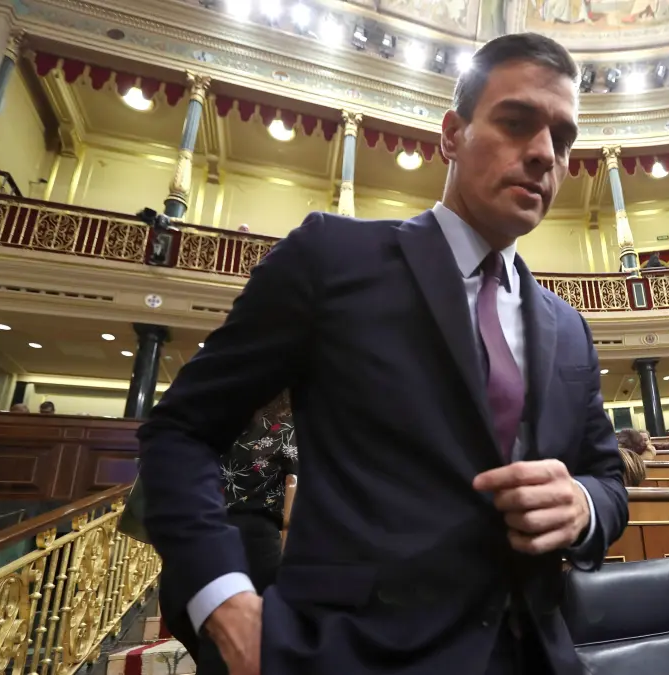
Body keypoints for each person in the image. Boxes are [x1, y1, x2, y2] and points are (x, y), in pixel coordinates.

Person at [137, 34, 628, 675]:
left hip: (538, 654)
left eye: (562, 140)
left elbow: (606, 478)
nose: (543, 153)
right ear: (451, 135)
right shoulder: (330, 258)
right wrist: (222, 601)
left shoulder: (569, 326)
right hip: (357, 656)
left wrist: (583, 505)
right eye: (515, 122)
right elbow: (179, 431)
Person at [194, 395, 299, 675]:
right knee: (253, 627)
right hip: (255, 535)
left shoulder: (221, 420)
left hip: (208, 529)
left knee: (217, 624)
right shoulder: (286, 426)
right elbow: (299, 481)